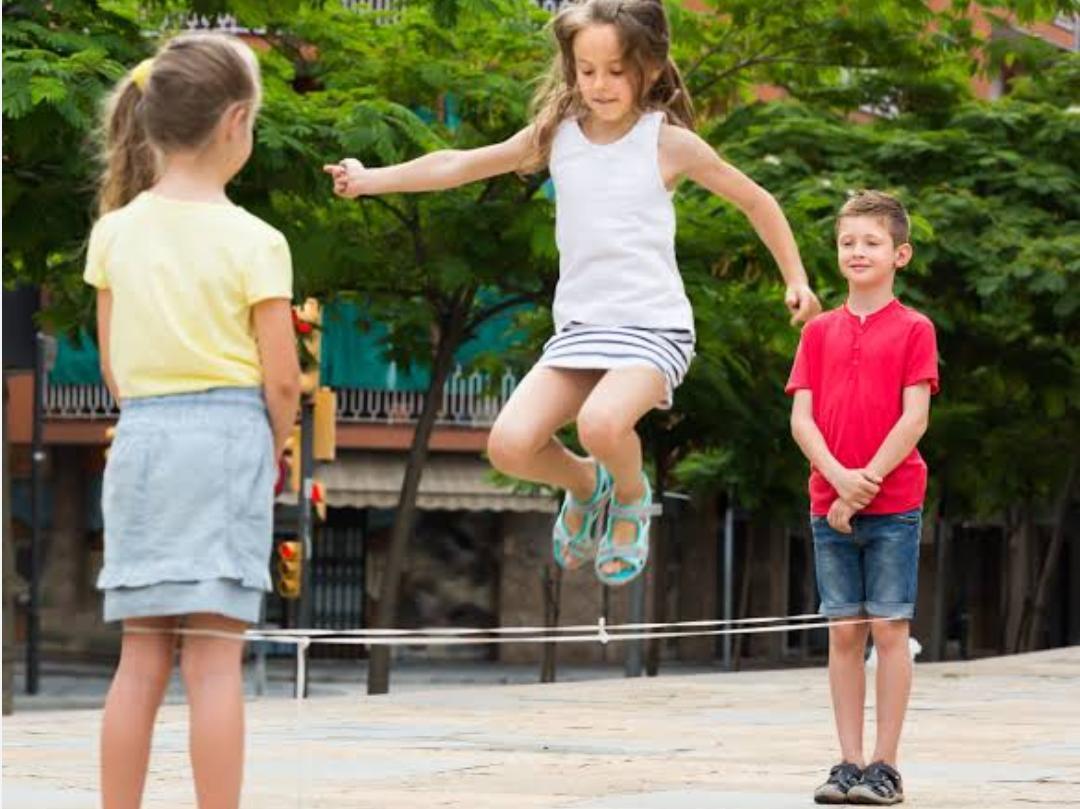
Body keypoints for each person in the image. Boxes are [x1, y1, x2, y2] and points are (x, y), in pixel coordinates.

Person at [326, 0, 819, 585]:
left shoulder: (667, 143)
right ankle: (587, 483)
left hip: (653, 329)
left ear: (652, 68)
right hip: (582, 330)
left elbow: (756, 200)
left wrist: (796, 278)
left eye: (616, 71)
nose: (599, 85)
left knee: (602, 422)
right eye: (586, 71)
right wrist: (369, 179)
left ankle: (632, 498)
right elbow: (459, 164)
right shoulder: (557, 135)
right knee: (509, 446)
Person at [85, 33, 301, 809]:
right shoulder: (256, 241)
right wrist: (268, 443)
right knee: (213, 660)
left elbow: (114, 368)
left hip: (142, 438)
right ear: (236, 121)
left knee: (139, 654)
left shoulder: (113, 233)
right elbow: (281, 378)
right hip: (226, 439)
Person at [787, 190, 939, 805]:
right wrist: (837, 482)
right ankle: (846, 763)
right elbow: (802, 419)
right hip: (829, 503)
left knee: (889, 630)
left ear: (899, 253)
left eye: (871, 242)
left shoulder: (915, 329)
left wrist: (864, 482)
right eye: (848, 241)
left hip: (894, 503)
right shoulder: (819, 332)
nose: (857, 251)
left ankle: (885, 766)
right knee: (843, 633)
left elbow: (915, 419)